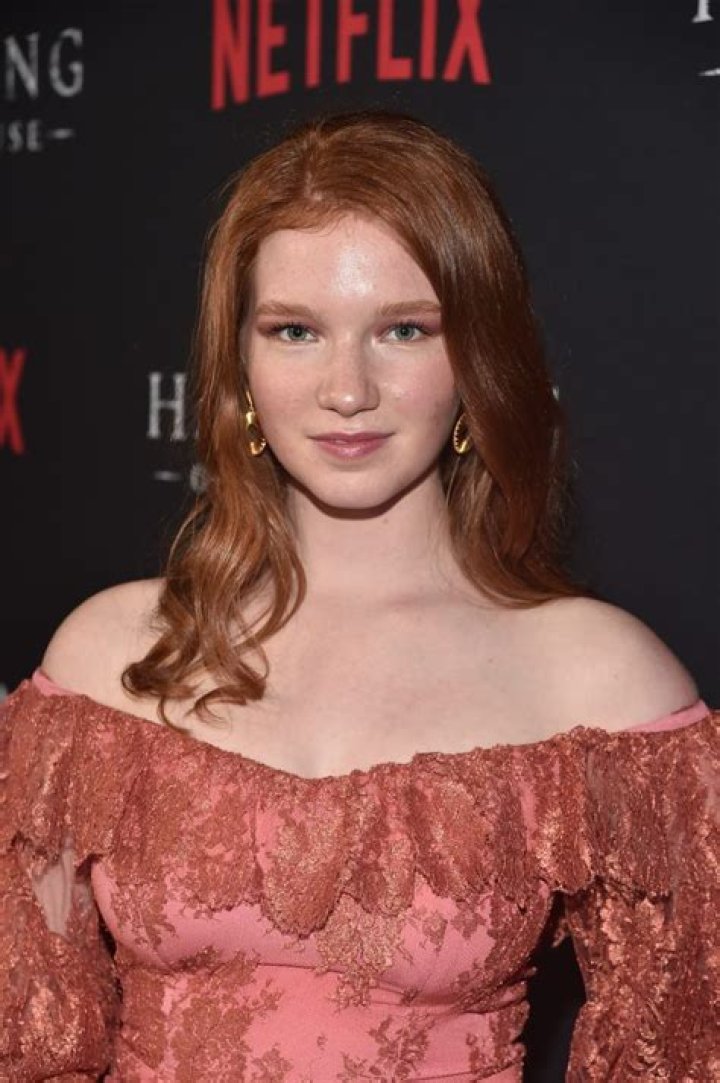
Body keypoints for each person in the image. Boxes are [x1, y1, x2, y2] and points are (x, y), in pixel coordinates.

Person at [0, 111, 716, 1082]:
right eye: (295, 330)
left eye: (404, 330)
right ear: (240, 363)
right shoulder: (109, 659)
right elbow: (31, 1046)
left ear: (477, 359)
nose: (348, 389)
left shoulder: (600, 682)